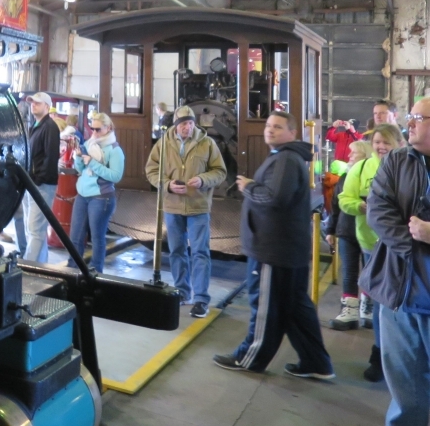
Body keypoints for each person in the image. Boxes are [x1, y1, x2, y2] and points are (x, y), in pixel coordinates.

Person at [213, 111, 334, 379]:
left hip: (273, 250)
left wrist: (248, 187)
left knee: (266, 306)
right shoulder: (286, 157)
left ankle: (249, 358)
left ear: (292, 133)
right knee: (295, 308)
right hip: (287, 249)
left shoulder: (286, 160)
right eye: (268, 125)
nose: (270, 130)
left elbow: (274, 198)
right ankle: (316, 362)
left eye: (278, 127)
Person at [360, 99, 430, 425]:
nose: (410, 123)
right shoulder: (397, 161)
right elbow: (378, 210)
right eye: (410, 116)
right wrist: (414, 248)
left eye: (419, 117)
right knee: (405, 388)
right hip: (400, 293)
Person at [145, 105, 227, 318]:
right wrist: (167, 185)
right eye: (183, 124)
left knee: (200, 252)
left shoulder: (207, 143)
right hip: (172, 207)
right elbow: (151, 170)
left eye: (190, 123)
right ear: (176, 126)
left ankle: (201, 299)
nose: (187, 128)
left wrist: (203, 180)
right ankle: (182, 292)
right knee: (177, 251)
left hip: (198, 207)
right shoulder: (163, 144)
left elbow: (220, 171)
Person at [340, 124, 404, 382]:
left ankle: (400, 356)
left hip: (401, 247)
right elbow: (344, 200)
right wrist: (360, 206)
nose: (381, 146)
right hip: (371, 246)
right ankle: (379, 356)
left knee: (399, 304)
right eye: (377, 142)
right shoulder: (360, 169)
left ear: (399, 144)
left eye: (386, 142)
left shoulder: (410, 168)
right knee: (379, 303)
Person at [326, 141, 374, 333]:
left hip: (370, 233)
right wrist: (330, 230)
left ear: (365, 155)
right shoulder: (345, 177)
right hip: (347, 231)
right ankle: (350, 311)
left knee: (370, 271)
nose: (349, 156)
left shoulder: (374, 176)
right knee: (349, 272)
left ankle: (367, 308)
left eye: (354, 153)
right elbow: (335, 205)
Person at [68, 113, 125, 273]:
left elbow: (116, 176)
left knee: (97, 238)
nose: (94, 132)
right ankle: (72, 270)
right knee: (75, 237)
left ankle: (96, 272)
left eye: (98, 129)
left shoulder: (115, 150)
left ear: (109, 128)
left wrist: (93, 163)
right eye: (92, 128)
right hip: (82, 195)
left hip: (101, 198)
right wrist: (78, 158)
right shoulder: (89, 144)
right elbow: (81, 169)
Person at [23, 92, 60, 263]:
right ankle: (41, 265)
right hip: (32, 183)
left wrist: (38, 180)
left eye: (37, 103)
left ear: (47, 106)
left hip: (41, 185)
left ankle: (27, 267)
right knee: (34, 229)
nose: (33, 105)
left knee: (35, 230)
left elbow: (50, 157)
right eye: (32, 102)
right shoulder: (35, 126)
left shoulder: (50, 127)